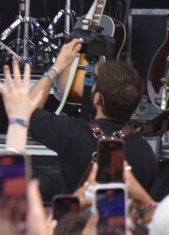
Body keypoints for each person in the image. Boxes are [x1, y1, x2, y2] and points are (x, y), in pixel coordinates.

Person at [8, 39, 157, 193]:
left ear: (97, 99)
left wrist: (56, 67)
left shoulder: (72, 133)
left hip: (79, 209)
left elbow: (25, 111)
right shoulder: (146, 153)